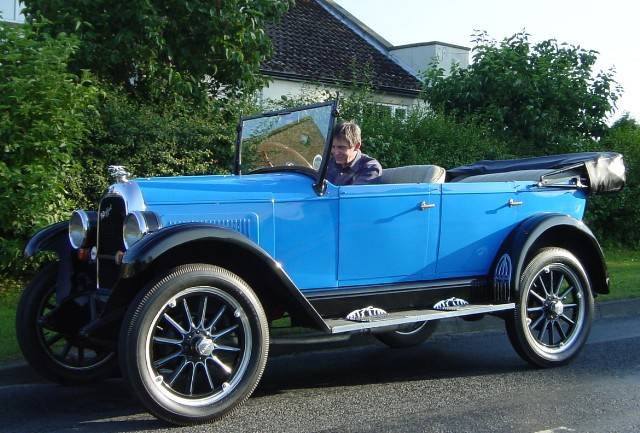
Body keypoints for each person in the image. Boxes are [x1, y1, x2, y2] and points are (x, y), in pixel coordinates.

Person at [326, 121, 382, 185]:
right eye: (333, 147)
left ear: (356, 146)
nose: (336, 152)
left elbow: (353, 193)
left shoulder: (370, 168)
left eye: (341, 147)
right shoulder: (330, 163)